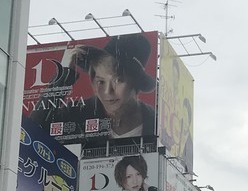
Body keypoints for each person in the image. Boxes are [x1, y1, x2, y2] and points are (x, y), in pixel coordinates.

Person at [28, 34, 156, 141]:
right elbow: (32, 133)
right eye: (100, 81)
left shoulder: (155, 122)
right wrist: (63, 75)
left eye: (118, 80)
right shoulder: (77, 113)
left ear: (136, 82)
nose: (107, 91)